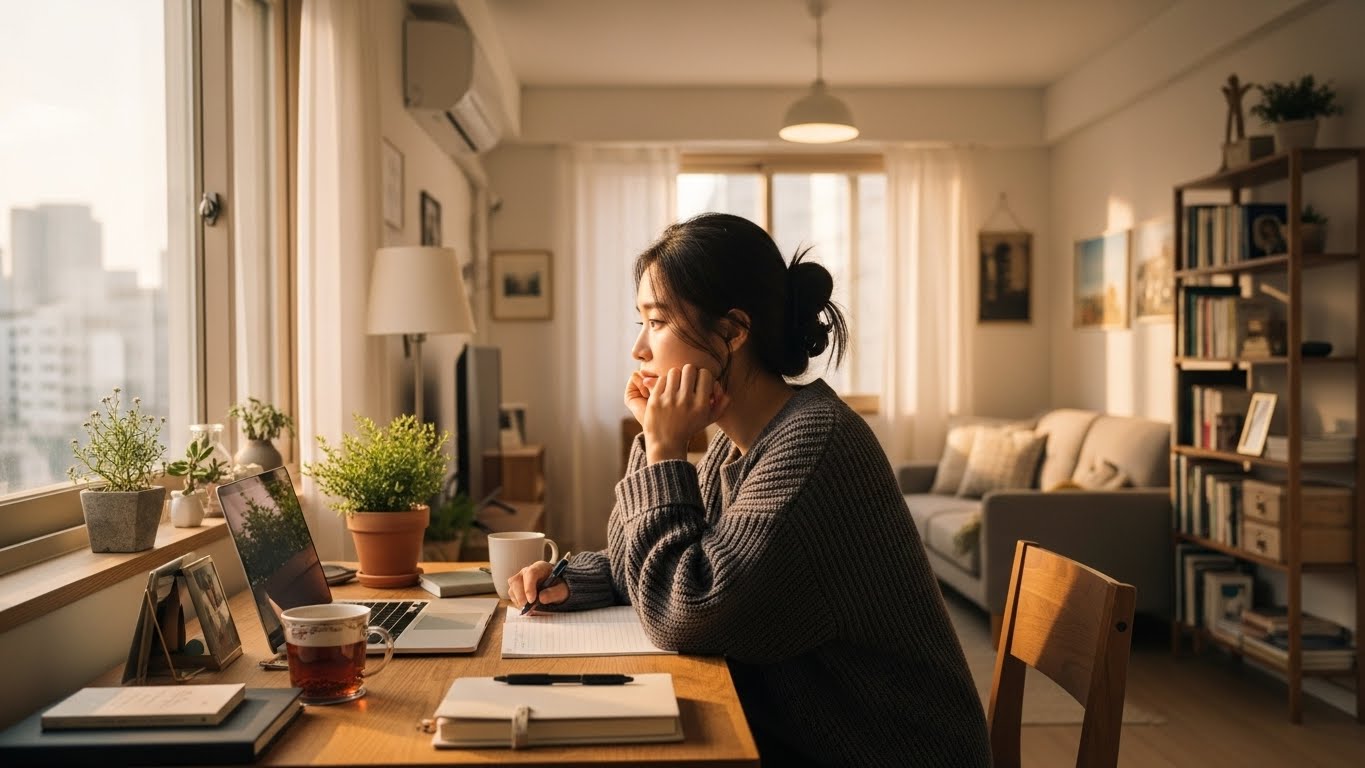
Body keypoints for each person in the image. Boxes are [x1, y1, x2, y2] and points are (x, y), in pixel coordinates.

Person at [508, 213, 990, 766]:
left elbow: (686, 611)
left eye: (657, 321)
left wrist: (662, 449)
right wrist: (579, 581)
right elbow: (663, 559)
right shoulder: (736, 445)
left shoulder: (813, 446)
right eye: (640, 322)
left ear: (733, 331)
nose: (640, 348)